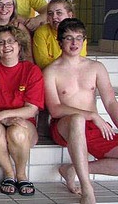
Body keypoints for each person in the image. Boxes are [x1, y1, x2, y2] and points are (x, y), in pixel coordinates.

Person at [44, 18, 118, 204]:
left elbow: (110, 102)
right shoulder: (51, 71)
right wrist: (92, 115)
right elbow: (55, 109)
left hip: (92, 128)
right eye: (69, 38)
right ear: (60, 42)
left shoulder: (95, 67)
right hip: (64, 126)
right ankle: (87, 189)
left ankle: (73, 169)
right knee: (77, 118)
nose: (74, 43)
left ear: (84, 41)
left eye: (78, 38)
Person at [0, 25, 43, 196]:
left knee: (18, 132)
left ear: (19, 45)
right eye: (1, 43)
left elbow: (31, 109)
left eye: (11, 41)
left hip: (23, 123)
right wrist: (2, 119)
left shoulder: (31, 70)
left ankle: (21, 174)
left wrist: (4, 114)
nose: (6, 46)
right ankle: (9, 173)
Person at [33, 0, 87, 69]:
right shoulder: (41, 32)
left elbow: (79, 59)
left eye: (59, 13)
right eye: (50, 14)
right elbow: (42, 63)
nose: (54, 17)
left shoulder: (78, 33)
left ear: (70, 15)